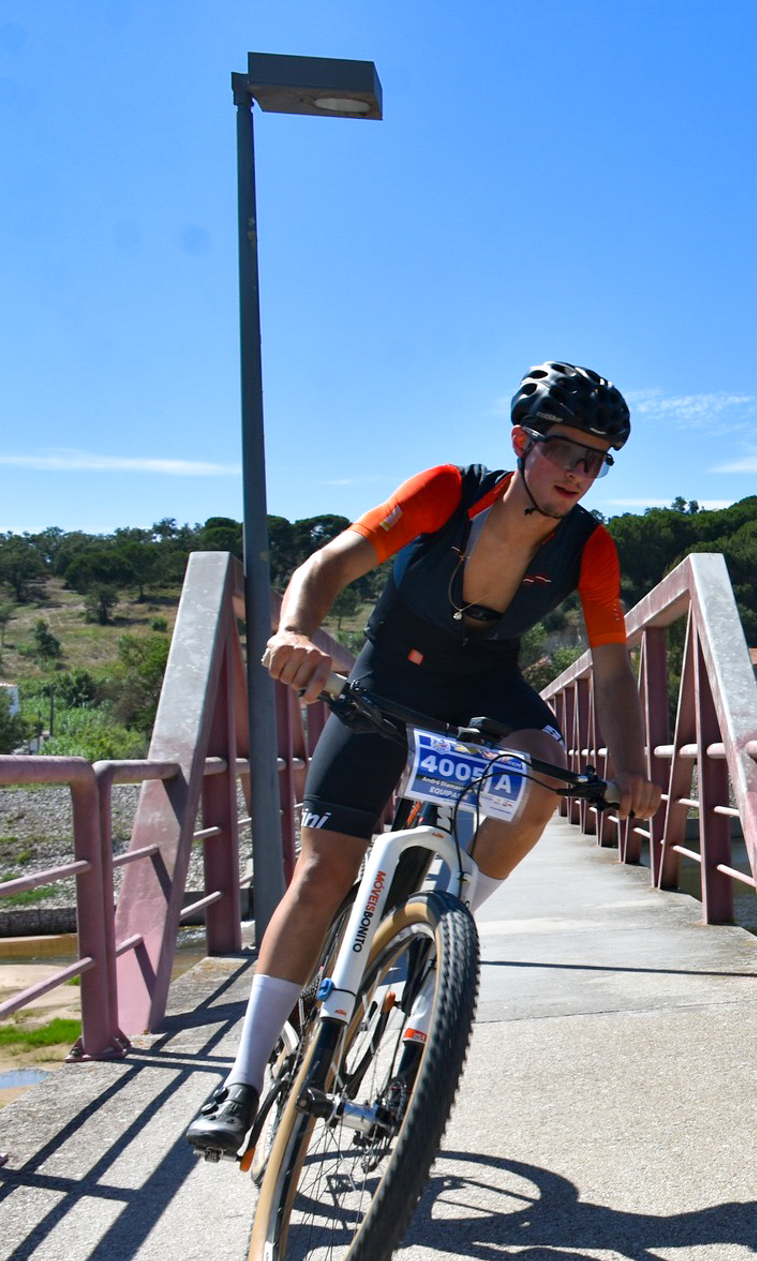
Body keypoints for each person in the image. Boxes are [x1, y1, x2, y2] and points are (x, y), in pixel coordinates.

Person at [185, 362, 664, 1158]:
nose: (580, 472)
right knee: (323, 870)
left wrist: (632, 770)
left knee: (543, 767)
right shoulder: (448, 490)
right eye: (566, 451)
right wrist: (299, 629)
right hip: (390, 676)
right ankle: (239, 1081)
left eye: (597, 458)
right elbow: (327, 566)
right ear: (522, 443)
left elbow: (612, 665)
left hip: (486, 687)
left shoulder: (592, 545)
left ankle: (442, 925)